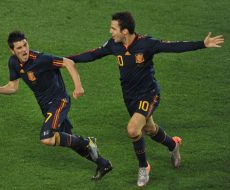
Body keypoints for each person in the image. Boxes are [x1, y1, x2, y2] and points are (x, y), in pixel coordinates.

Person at [67, 12, 224, 187]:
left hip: (149, 94)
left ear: (125, 31)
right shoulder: (114, 45)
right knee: (149, 129)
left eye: (113, 28)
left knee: (133, 129)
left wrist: (202, 44)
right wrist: (65, 60)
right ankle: (173, 145)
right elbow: (92, 54)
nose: (110, 31)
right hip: (130, 97)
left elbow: (174, 46)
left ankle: (143, 167)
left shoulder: (146, 44)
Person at [0, 31, 112, 180]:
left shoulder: (41, 59)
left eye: (25, 45)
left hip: (59, 101)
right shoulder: (13, 63)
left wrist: (78, 87)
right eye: (19, 48)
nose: (24, 50)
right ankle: (103, 163)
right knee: (70, 141)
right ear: (12, 51)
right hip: (46, 107)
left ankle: (88, 141)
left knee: (47, 137)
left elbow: (68, 62)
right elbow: (13, 87)